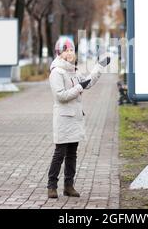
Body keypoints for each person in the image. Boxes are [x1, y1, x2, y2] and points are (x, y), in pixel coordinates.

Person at [47, 37, 110, 198]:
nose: (69, 53)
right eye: (66, 50)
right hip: (63, 118)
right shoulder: (56, 72)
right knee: (59, 153)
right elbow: (61, 96)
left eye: (71, 50)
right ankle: (51, 186)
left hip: (75, 118)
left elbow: (87, 83)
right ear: (59, 53)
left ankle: (69, 186)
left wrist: (99, 66)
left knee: (72, 154)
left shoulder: (73, 70)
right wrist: (78, 88)